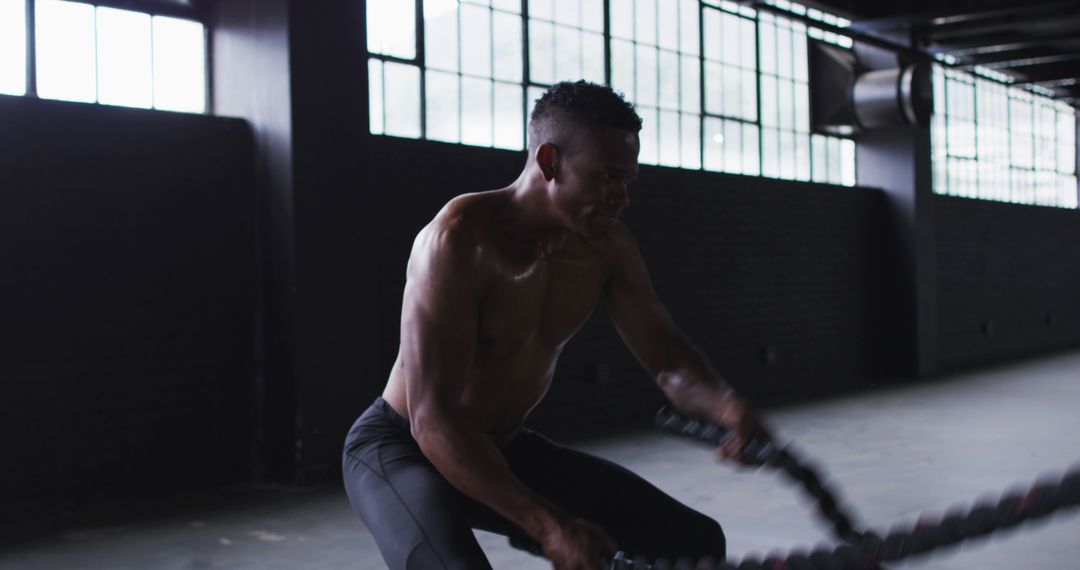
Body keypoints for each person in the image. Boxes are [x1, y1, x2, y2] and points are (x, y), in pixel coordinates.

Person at [343, 80, 770, 570]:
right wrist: (547, 525)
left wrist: (727, 406)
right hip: (404, 447)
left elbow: (667, 358)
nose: (622, 197)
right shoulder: (459, 240)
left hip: (502, 447)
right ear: (549, 161)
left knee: (690, 539)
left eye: (628, 179)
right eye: (608, 176)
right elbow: (432, 420)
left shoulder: (606, 247)